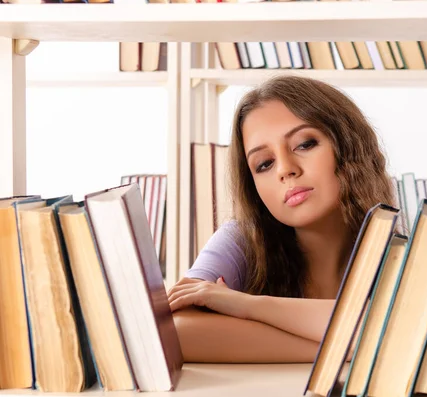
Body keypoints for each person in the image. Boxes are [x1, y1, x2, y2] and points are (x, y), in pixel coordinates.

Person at [167, 75, 396, 363]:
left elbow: (401, 328)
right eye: (264, 163)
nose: (285, 170)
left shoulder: (401, 251)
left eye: (304, 144)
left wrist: (248, 306)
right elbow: (176, 332)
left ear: (349, 146)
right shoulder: (241, 241)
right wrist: (347, 349)